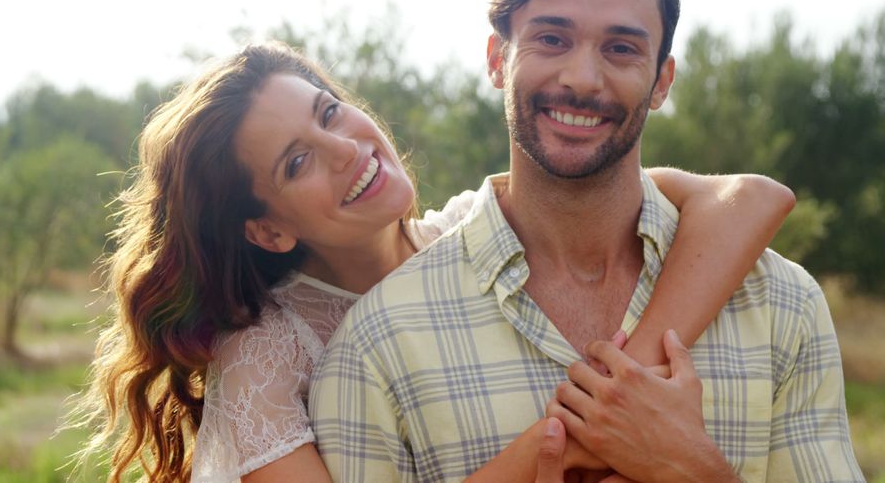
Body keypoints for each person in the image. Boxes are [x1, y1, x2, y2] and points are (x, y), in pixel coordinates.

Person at [68, 42, 795, 483]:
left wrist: (625, 385)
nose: (347, 149)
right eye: (298, 162)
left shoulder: (477, 230)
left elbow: (751, 198)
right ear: (268, 230)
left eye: (327, 113)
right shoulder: (266, 352)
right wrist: (595, 426)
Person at [309, 0, 864, 482]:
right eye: (552, 39)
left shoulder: (781, 306)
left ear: (662, 81)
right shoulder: (377, 345)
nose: (581, 77)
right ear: (499, 59)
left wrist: (695, 470)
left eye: (621, 48)